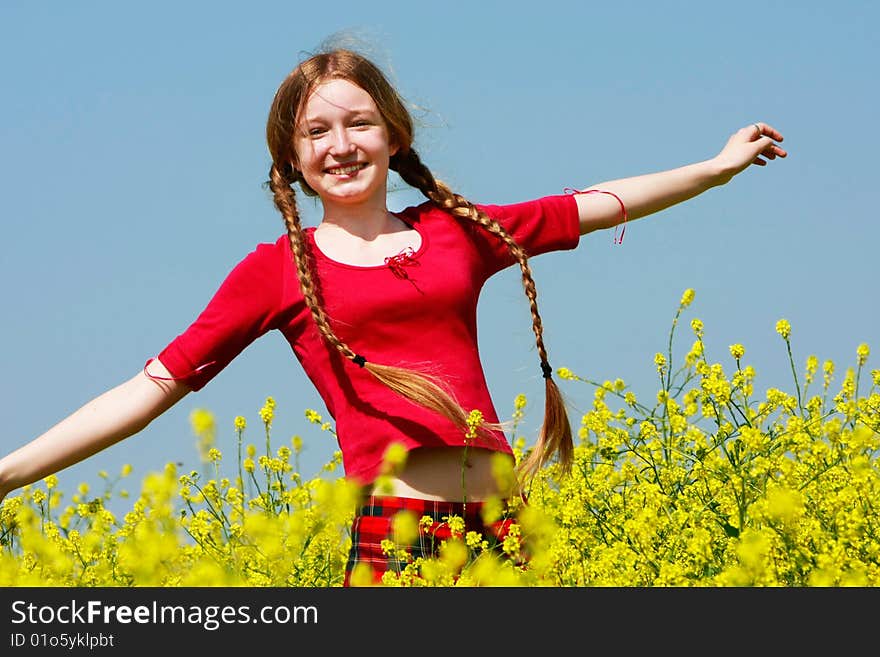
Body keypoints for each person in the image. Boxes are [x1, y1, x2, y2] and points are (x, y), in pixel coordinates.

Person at [0, 47, 786, 585]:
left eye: (359, 124)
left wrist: (714, 171)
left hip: (504, 527)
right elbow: (150, 388)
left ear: (393, 136)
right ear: (291, 160)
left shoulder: (455, 232)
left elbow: (587, 204)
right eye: (317, 132)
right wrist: (8, 473)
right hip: (396, 539)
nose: (341, 145)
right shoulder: (275, 271)